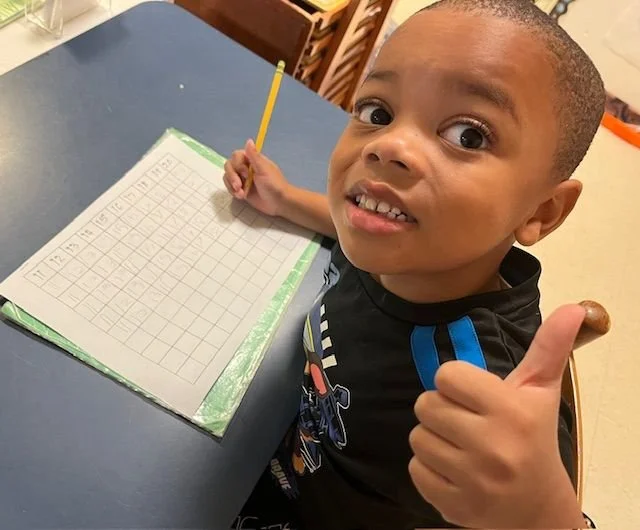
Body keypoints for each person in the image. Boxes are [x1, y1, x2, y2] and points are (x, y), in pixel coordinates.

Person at [224, 0, 605, 527]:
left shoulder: (478, 378)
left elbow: (521, 488)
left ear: (541, 211)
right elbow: (351, 221)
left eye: (468, 134)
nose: (389, 145)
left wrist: (541, 514)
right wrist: (285, 198)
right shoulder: (409, 246)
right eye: (378, 112)